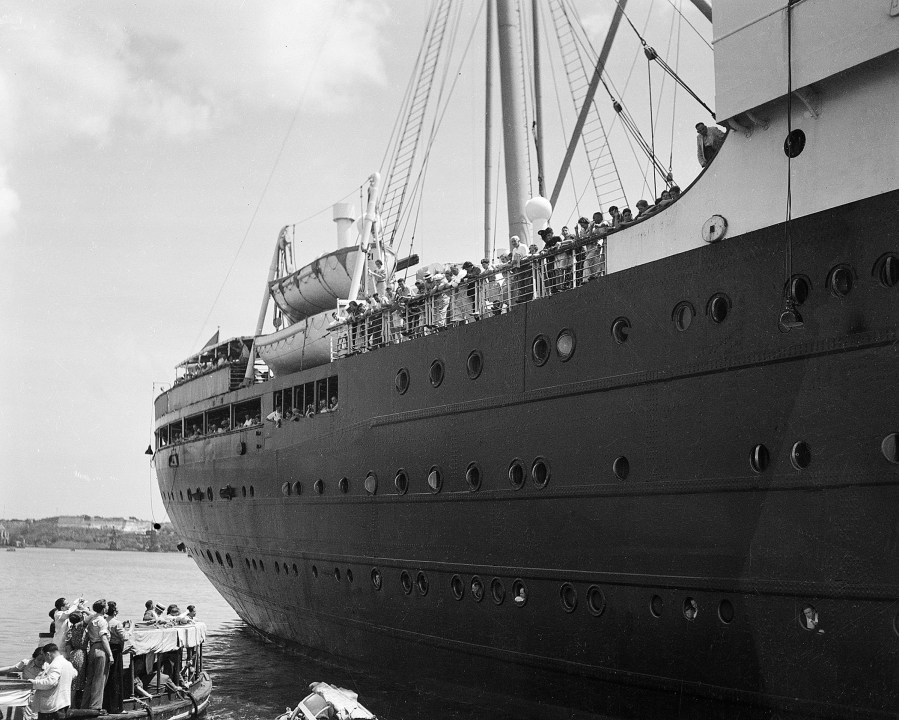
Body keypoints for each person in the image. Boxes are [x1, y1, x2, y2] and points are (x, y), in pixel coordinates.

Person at [79, 600, 112, 711]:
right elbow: (103, 638)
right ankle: (95, 706)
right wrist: (110, 654)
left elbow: (87, 618)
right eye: (106, 606)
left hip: (92, 648)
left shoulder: (92, 618)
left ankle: (85, 705)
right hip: (101, 649)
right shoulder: (102, 621)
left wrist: (84, 609)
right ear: (103, 609)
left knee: (90, 679)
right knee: (100, 678)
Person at [31, 644, 77, 720]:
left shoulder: (55, 664)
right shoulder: (67, 663)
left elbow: (50, 682)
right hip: (62, 704)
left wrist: (33, 683)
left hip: (52, 708)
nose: (45, 660)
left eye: (44, 656)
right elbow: (74, 673)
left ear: (48, 654)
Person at [103, 601, 126, 713]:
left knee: (107, 676)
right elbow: (124, 637)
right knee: (116, 677)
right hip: (116, 650)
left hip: (106, 649)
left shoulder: (104, 621)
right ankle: (116, 707)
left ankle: (106, 704)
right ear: (115, 612)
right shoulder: (117, 623)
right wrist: (130, 628)